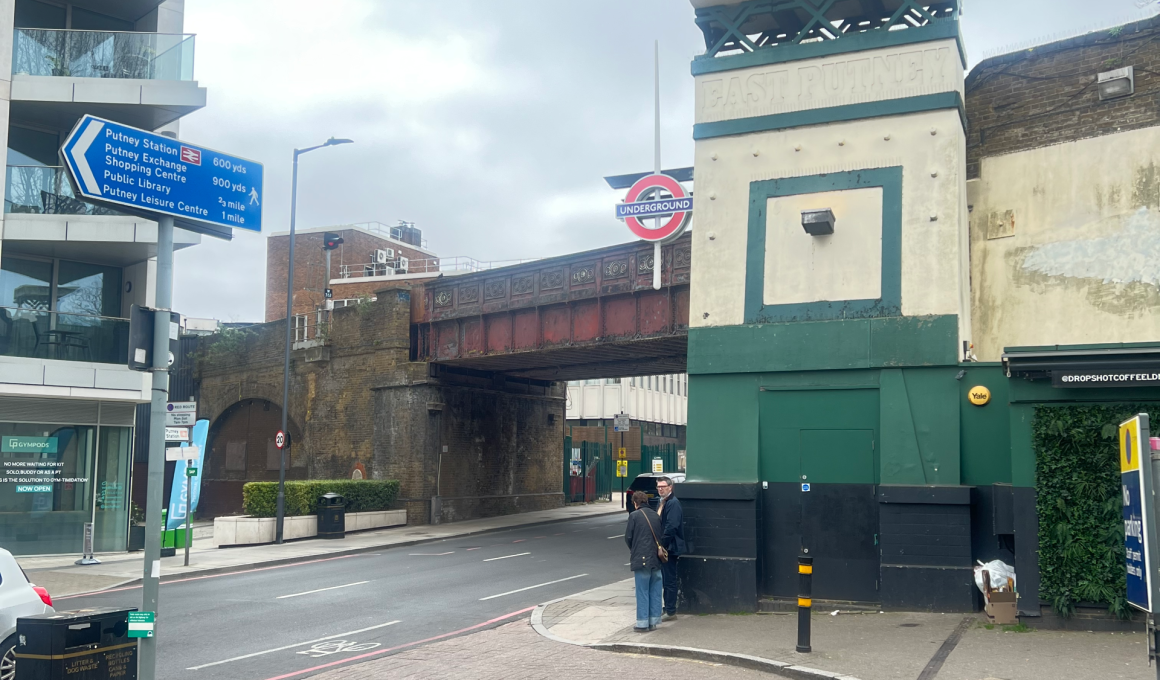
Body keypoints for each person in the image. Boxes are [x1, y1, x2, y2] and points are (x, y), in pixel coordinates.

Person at [624, 490, 664, 631]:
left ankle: (642, 623)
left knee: (642, 590)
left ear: (635, 503)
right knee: (655, 589)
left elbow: (628, 538)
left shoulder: (634, 516)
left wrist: (634, 549)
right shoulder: (656, 515)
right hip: (656, 558)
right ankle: (653, 621)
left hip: (641, 558)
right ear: (646, 501)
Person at [655, 476, 686, 619]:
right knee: (665, 579)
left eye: (663, 486)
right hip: (665, 546)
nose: (660, 489)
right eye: (658, 486)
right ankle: (667, 607)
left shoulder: (673, 503)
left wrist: (662, 545)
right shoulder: (662, 502)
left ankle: (671, 610)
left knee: (669, 580)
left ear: (670, 487)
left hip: (670, 547)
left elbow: (671, 526)